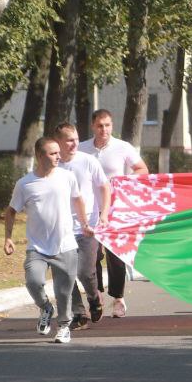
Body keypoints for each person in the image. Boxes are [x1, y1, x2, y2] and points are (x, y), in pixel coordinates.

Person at [4, 137, 91, 344]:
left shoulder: (67, 177)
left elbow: (78, 199)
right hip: (37, 247)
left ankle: (63, 327)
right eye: (53, 153)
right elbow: (10, 211)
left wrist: (85, 223)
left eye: (58, 153)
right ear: (39, 156)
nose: (58, 157)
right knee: (33, 281)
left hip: (65, 245)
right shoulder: (25, 184)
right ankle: (45, 307)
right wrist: (8, 237)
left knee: (64, 292)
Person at [79, 108, 148, 319]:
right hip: (90, 209)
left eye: (107, 125)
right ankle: (97, 293)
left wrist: (121, 182)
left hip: (116, 209)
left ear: (112, 126)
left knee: (115, 255)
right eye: (100, 125)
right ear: (93, 126)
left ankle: (118, 298)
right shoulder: (82, 149)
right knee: (93, 256)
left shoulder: (122, 147)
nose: (104, 129)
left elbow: (142, 170)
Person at [54, 123, 110, 329]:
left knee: (85, 272)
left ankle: (94, 298)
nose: (74, 143)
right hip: (61, 229)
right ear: (58, 142)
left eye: (76, 139)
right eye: (69, 140)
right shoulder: (53, 165)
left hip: (88, 227)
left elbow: (105, 187)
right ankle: (79, 312)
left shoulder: (88, 161)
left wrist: (103, 214)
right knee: (65, 272)